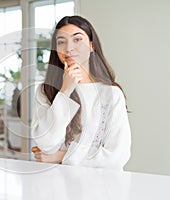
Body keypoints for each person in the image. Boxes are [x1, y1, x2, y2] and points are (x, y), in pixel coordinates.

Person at [31, 15, 131, 170]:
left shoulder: (111, 94)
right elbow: (46, 145)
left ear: (92, 45)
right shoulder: (46, 91)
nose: (69, 48)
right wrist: (65, 90)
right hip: (55, 185)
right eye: (61, 42)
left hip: (102, 188)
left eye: (77, 39)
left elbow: (116, 156)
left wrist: (61, 156)